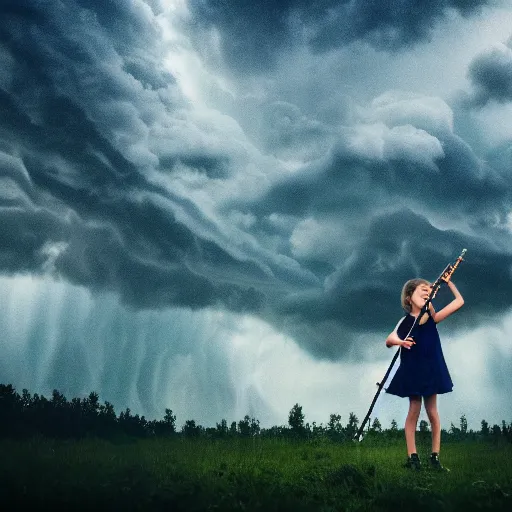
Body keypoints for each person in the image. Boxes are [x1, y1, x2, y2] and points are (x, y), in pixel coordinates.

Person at [385, 276, 464, 471]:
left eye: (428, 291)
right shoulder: (405, 321)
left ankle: (434, 458)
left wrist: (449, 283)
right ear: (409, 297)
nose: (426, 292)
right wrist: (400, 342)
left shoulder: (431, 318)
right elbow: (389, 339)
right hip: (413, 370)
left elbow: (459, 302)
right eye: (422, 290)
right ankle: (413, 458)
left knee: (433, 413)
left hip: (431, 369)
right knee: (414, 409)